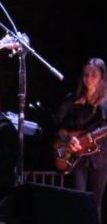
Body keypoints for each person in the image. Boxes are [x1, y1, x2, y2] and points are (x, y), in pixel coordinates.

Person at [54, 57, 107, 222]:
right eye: (86, 74)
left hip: (101, 157)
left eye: (93, 75)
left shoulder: (106, 102)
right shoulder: (72, 100)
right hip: (75, 157)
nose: (89, 78)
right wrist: (69, 139)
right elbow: (58, 127)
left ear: (102, 77)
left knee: (95, 203)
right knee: (78, 200)